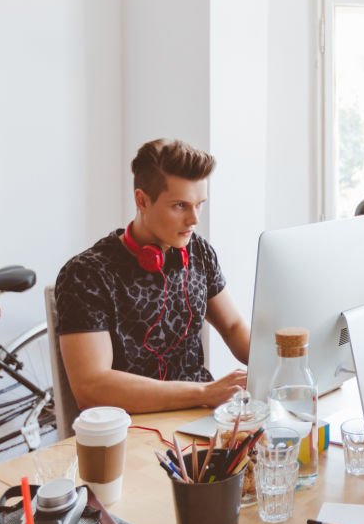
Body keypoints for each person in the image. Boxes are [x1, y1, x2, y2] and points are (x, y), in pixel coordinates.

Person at [55, 139, 249, 413]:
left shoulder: (199, 252)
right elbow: (91, 388)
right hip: (133, 430)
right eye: (180, 206)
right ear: (142, 200)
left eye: (199, 204)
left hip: (201, 417)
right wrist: (204, 392)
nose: (194, 219)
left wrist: (288, 358)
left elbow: (233, 327)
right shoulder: (86, 274)